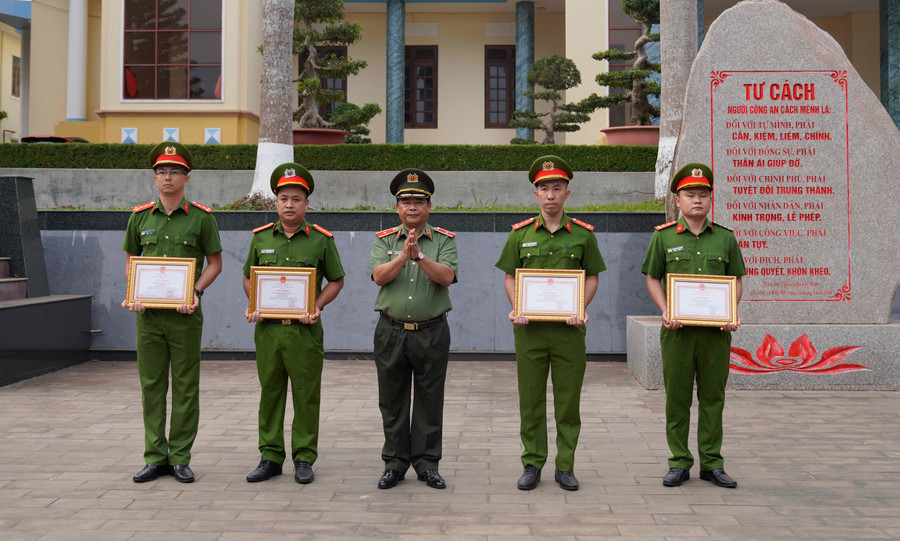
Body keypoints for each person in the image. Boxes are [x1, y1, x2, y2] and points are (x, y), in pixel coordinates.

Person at [495, 155, 606, 491]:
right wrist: (517, 307)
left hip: (569, 331)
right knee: (530, 401)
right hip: (529, 331)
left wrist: (581, 307)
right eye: (544, 188)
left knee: (568, 402)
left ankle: (566, 466)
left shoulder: (584, 236)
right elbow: (510, 278)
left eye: (557, 188)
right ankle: (532, 463)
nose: (551, 195)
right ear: (536, 194)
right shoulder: (520, 235)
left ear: (567, 194)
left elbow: (592, 279)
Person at [122, 142, 223, 483]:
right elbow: (130, 262)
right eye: (162, 172)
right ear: (154, 178)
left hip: (185, 315)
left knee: (184, 386)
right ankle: (155, 456)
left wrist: (194, 290)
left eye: (175, 172)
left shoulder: (202, 218)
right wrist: (134, 290)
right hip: (148, 316)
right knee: (151, 386)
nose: (168, 178)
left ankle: (179, 456)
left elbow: (215, 264)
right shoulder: (139, 218)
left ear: (186, 178)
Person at [641, 162, 745, 489]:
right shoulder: (664, 238)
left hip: (715, 334)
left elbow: (736, 280)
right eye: (689, 194)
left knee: (713, 398)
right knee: (678, 398)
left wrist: (731, 310)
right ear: (678, 200)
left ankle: (712, 464)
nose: (696, 200)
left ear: (711, 198)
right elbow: (652, 278)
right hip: (678, 333)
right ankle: (679, 462)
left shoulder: (725, 239)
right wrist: (665, 309)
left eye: (703, 194)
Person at [242, 163, 345, 484]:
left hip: (305, 330)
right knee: (270, 392)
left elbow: (337, 280)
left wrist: (316, 305)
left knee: (305, 393)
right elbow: (248, 277)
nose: (289, 204)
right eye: (284, 198)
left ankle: (303, 457)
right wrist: (254, 303)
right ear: (275, 201)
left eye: (296, 198)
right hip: (269, 330)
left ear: (307, 202)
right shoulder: (260, 239)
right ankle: (270, 456)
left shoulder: (320, 240)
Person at [370, 169, 458, 490]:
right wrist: (401, 257)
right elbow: (379, 276)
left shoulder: (444, 241)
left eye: (419, 201)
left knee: (429, 400)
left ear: (429, 206)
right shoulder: (384, 241)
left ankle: (426, 463)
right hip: (390, 331)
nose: (412, 207)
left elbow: (447, 276)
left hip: (431, 332)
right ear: (397, 207)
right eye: (405, 201)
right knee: (392, 399)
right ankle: (394, 463)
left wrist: (419, 256)